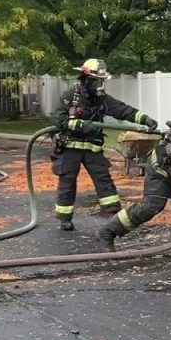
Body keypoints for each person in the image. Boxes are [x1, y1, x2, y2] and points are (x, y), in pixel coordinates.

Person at [51, 58, 158, 231]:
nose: (99, 84)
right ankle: (64, 218)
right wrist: (77, 124)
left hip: (92, 147)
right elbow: (57, 118)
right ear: (85, 78)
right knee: (67, 182)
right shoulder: (70, 96)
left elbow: (122, 110)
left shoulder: (101, 99)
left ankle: (113, 214)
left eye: (101, 80)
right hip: (70, 146)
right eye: (96, 80)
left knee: (104, 180)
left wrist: (144, 118)